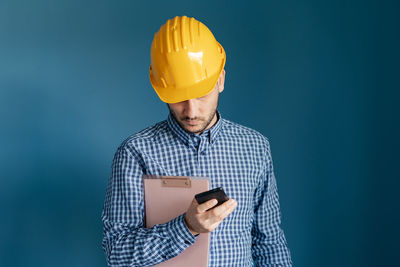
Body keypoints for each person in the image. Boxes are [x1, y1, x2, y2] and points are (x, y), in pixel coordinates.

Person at [101, 15, 292, 266]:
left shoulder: (255, 148)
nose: (191, 111)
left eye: (201, 94)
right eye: (179, 97)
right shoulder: (136, 153)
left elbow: (269, 242)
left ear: (220, 80)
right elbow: (117, 253)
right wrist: (186, 226)